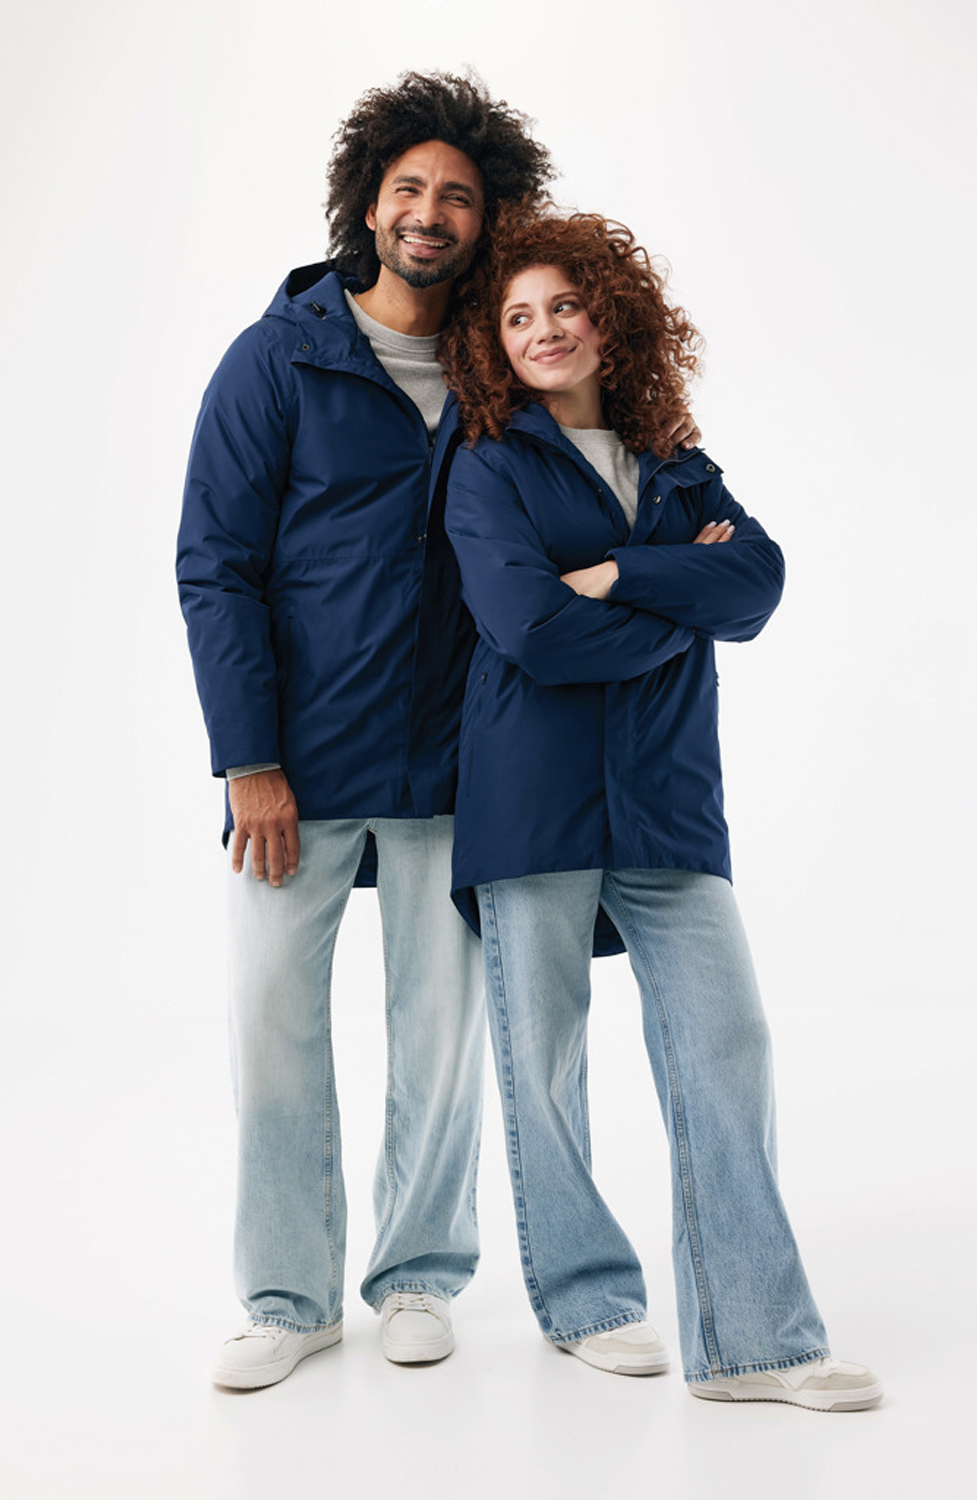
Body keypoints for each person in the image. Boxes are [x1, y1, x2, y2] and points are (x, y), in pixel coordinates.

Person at [439, 204, 882, 1411]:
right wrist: (682, 610)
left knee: (726, 1044)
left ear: (609, 317)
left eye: (564, 306)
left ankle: (753, 1344)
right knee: (543, 1064)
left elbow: (760, 583)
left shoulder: (676, 460)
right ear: (493, 344)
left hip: (667, 798)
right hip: (530, 800)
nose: (543, 329)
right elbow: (532, 630)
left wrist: (624, 573)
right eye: (517, 316)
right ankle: (585, 1302)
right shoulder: (488, 466)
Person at [176, 72, 558, 1388]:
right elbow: (216, 567)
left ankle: (418, 1277)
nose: (429, 213)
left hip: (458, 761)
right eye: (409, 189)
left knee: (437, 1041)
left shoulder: (498, 366)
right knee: (273, 1026)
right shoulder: (278, 356)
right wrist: (249, 761)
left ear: (489, 218)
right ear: (367, 202)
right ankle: (287, 1298)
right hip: (298, 765)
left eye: (458, 195)